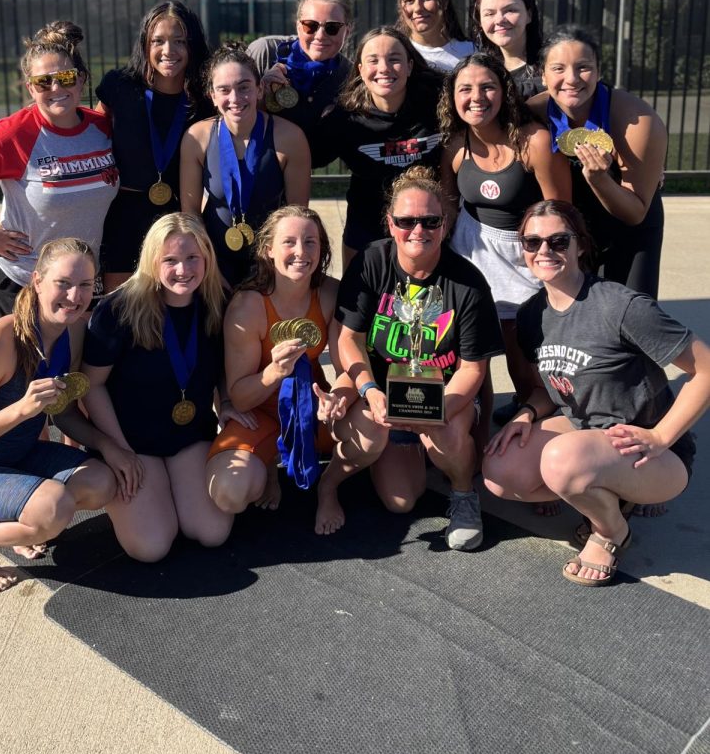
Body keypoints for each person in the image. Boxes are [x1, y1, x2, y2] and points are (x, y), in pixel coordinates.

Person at [483, 200, 708, 586]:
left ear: (580, 246)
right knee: (500, 473)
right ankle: (603, 491)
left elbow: (705, 369)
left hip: (652, 452)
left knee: (559, 462)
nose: (544, 251)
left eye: (558, 240)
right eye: (532, 242)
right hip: (587, 436)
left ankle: (610, 531)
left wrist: (661, 436)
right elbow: (549, 389)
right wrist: (526, 414)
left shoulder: (620, 306)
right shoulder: (531, 316)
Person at [320, 166, 504, 548]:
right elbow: (349, 339)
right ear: (390, 223)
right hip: (383, 397)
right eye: (406, 221)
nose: (417, 231)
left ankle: (463, 493)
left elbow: (473, 369)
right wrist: (371, 391)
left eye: (429, 221)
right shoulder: (371, 262)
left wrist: (436, 410)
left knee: (449, 432)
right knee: (400, 501)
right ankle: (330, 484)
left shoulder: (468, 283)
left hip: (439, 396)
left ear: (445, 224)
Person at [0, 238, 116, 594]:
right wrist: (20, 410)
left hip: (18, 456)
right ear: (37, 280)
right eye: (63, 283)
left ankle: (17, 514)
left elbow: (63, 413)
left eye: (83, 286)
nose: (74, 296)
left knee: (102, 482)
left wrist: (109, 446)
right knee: (52, 510)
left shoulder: (73, 329)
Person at [80, 213, 240, 562]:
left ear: (207, 259)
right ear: (152, 260)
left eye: (192, 258)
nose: (182, 270)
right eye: (170, 260)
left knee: (212, 532)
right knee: (151, 547)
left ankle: (169, 494)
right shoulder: (117, 309)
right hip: (132, 444)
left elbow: (221, 367)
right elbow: (91, 386)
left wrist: (226, 400)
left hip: (188, 437)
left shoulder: (217, 304)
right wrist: (117, 450)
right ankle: (146, 497)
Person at [0, 20, 119, 319]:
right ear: (30, 87)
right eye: (43, 82)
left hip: (80, 284)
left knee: (73, 366)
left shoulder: (101, 128)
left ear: (82, 79)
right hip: (21, 284)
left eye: (66, 77)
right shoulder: (14, 134)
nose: (56, 88)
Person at [439, 53, 571, 428]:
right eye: (465, 88)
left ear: (504, 92)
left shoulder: (535, 142)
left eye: (487, 87)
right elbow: (448, 207)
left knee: (521, 349)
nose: (476, 97)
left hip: (524, 256)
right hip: (472, 252)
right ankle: (476, 429)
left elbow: (561, 214)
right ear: (452, 97)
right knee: (472, 351)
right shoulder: (455, 145)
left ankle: (538, 418)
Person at [206, 206, 342, 528]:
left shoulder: (330, 293)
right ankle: (267, 462)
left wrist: (340, 397)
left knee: (371, 438)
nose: (301, 252)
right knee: (228, 492)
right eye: (289, 242)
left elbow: (348, 363)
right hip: (261, 413)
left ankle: (329, 487)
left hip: (314, 408)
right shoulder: (247, 306)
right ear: (268, 249)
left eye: (310, 242)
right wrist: (273, 373)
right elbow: (239, 397)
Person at [528, 24, 666, 298]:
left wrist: (600, 179)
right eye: (558, 68)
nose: (572, 79)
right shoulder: (532, 113)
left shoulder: (637, 121)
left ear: (599, 71)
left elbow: (635, 212)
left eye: (583, 67)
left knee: (631, 316)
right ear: (542, 75)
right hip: (571, 227)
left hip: (629, 229)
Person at [95, 0, 212, 292]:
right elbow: (92, 136)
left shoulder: (205, 98)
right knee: (120, 304)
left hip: (174, 214)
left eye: (179, 41)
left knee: (170, 297)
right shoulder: (120, 85)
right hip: (122, 212)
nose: (168, 51)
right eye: (158, 41)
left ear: (193, 46)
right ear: (144, 44)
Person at [180, 45, 311, 287]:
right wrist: (207, 269)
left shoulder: (289, 138)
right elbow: (191, 215)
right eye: (224, 90)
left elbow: (298, 217)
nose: (235, 99)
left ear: (259, 89)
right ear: (212, 95)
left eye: (244, 88)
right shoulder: (197, 137)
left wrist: (275, 268)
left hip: (270, 262)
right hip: (213, 265)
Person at [316, 27, 445, 267]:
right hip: (366, 230)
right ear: (360, 70)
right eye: (373, 61)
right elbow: (306, 155)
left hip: (426, 230)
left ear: (410, 66)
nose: (384, 68)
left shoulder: (438, 107)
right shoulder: (344, 118)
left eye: (394, 59)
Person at [246, 0, 353, 157]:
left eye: (332, 28)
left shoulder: (349, 77)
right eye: (310, 25)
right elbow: (231, 117)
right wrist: (260, 96)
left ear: (347, 31)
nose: (320, 36)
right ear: (298, 26)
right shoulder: (264, 52)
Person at [470, 0, 545, 100]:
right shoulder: (480, 70)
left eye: (510, 10)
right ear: (480, 23)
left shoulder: (551, 66)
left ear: (529, 15)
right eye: (489, 14)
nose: (499, 20)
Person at [395, 0, 474, 73]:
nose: (418, 8)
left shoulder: (471, 51)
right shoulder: (394, 54)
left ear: (445, 0)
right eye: (409, 0)